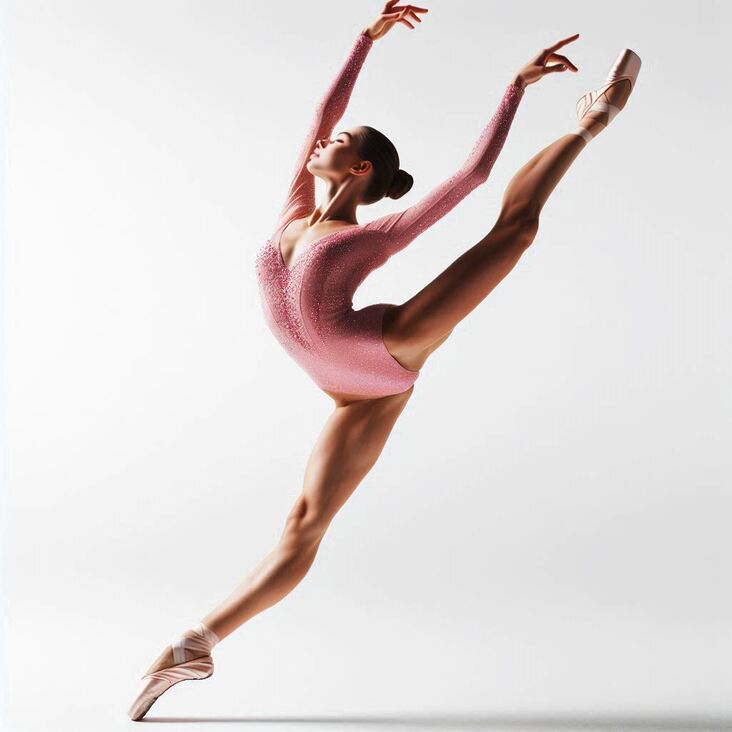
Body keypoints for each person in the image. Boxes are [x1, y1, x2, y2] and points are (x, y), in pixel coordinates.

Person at [129, 1, 641, 720]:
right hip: (352, 394)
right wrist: (363, 40)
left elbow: (470, 177)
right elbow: (322, 113)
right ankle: (197, 644)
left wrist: (514, 89)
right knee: (303, 527)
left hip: (385, 346)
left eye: (339, 142)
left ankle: (589, 125)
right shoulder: (293, 214)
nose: (322, 141)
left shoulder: (376, 234)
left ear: (360, 167)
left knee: (513, 232)